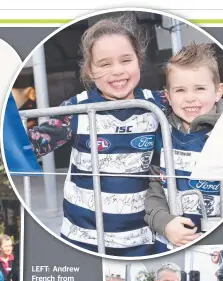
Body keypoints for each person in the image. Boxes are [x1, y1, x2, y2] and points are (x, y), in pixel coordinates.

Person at [25, 14, 168, 257]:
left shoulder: (159, 105)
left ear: (139, 61)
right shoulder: (76, 109)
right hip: (84, 240)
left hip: (142, 239)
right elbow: (26, 148)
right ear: (90, 71)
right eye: (104, 64)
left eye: (126, 60)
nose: (117, 71)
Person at [145, 43, 223, 251]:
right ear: (169, 96)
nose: (190, 97)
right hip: (170, 243)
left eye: (200, 88)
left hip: (217, 243)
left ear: (218, 91)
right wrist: (164, 222)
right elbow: (153, 188)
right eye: (180, 90)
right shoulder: (161, 133)